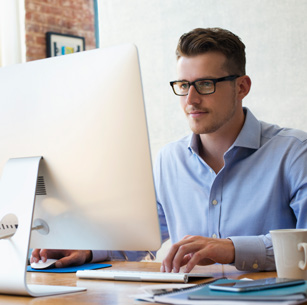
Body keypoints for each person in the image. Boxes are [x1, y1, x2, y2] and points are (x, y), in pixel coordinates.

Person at [31, 27, 307, 273]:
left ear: (241, 87)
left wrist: (231, 248)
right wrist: (88, 250)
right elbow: (141, 236)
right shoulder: (169, 159)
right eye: (184, 85)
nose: (191, 99)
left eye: (205, 84)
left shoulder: (293, 153)